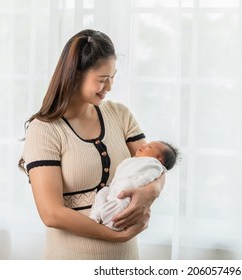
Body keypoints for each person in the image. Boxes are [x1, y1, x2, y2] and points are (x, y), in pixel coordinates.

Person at [18, 29, 165, 260]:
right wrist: (114, 236)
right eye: (102, 79)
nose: (109, 87)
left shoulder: (120, 114)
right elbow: (51, 214)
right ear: (76, 75)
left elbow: (154, 163)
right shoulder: (44, 130)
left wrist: (151, 191)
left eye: (113, 77)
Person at [90, 141, 179, 230]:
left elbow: (148, 178)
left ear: (159, 159)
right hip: (114, 188)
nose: (144, 145)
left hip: (129, 192)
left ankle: (109, 221)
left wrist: (135, 186)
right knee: (102, 192)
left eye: (149, 147)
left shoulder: (154, 164)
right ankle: (97, 214)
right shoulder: (133, 160)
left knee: (121, 205)